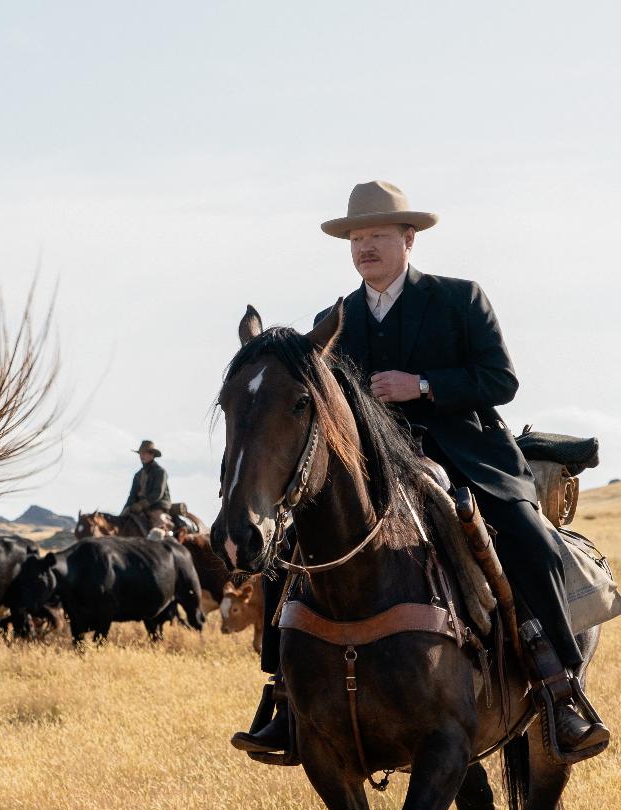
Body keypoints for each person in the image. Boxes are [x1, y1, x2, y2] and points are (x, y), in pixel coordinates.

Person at [233, 179, 607, 764]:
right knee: (291, 550)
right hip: (374, 471)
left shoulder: (461, 299)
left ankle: (560, 687)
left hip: (468, 457)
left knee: (530, 541)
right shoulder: (334, 321)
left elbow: (500, 381)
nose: (365, 248)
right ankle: (281, 700)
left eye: (377, 235)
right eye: (356, 238)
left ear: (409, 238)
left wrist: (424, 387)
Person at [121, 440, 171, 534]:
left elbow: (157, 494)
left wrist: (141, 505)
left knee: (159, 527)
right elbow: (132, 496)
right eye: (140, 453)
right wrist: (126, 509)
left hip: (156, 506)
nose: (141, 456)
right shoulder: (138, 475)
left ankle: (166, 541)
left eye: (144, 453)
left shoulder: (160, 472)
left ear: (152, 455)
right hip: (138, 507)